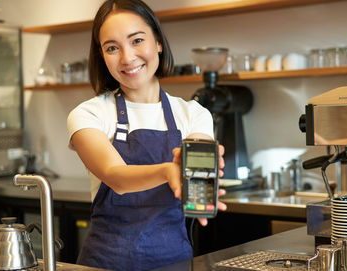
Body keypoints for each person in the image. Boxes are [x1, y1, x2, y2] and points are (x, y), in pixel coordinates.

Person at [66, 0, 227, 269]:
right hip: (106, 263)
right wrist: (167, 170)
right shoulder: (88, 114)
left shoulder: (194, 115)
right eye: (112, 48)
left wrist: (202, 175)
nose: (127, 58)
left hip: (174, 261)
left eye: (137, 40)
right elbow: (115, 176)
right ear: (102, 56)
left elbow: (197, 177)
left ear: (158, 43)